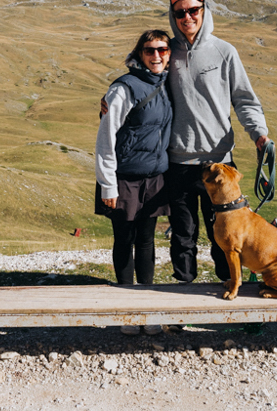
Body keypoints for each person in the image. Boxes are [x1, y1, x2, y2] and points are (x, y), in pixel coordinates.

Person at [164, 0, 270, 283]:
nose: (187, 17)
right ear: (173, 16)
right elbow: (140, 79)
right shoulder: (165, 52)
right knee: (183, 236)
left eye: (193, 10)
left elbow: (245, 99)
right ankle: (182, 304)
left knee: (226, 237)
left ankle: (228, 297)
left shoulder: (224, 51)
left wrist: (259, 134)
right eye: (180, 13)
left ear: (204, 11)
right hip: (178, 164)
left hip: (220, 164)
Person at [95, 30, 173, 335]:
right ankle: (127, 311)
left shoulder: (167, 82)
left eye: (162, 50)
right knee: (124, 240)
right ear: (139, 54)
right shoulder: (123, 89)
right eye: (149, 50)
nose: (156, 56)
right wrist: (108, 185)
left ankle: (148, 309)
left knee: (146, 241)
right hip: (124, 178)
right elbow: (105, 137)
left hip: (154, 177)